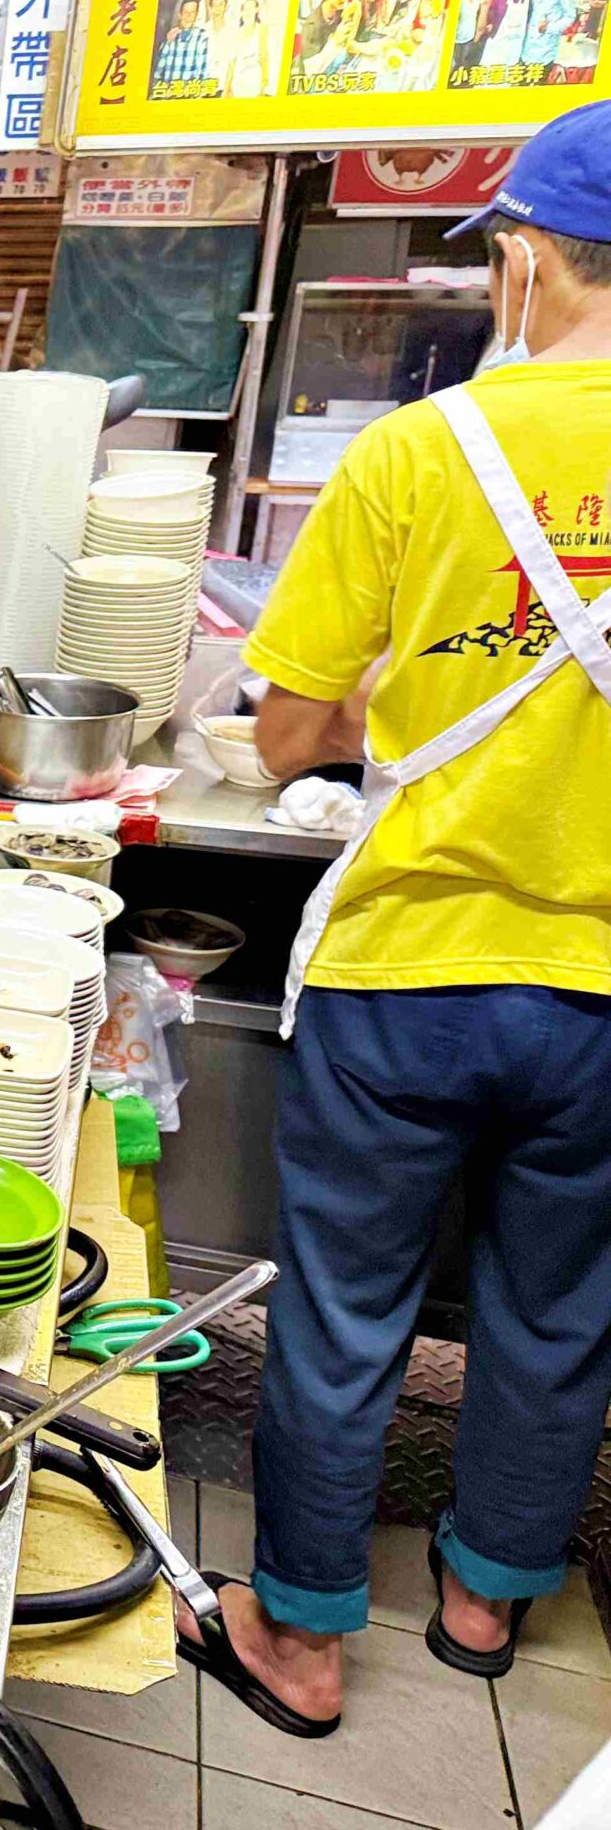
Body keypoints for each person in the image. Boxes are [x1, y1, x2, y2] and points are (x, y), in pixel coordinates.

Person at [173, 106, 611, 1739]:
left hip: (409, 967)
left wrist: (400, 711)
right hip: (601, 987)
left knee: (351, 1312)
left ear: (526, 260)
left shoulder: (422, 454)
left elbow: (285, 732)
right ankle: (489, 1599)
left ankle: (297, 1639)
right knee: (556, 1313)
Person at [155, 0, 214, 83]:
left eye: (192, 12)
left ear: (197, 14)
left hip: (189, 91)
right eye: (186, 12)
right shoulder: (171, 35)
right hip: (169, 90)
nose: (189, 15)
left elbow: (203, 69)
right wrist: (167, 43)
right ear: (180, 14)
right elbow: (159, 69)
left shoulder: (202, 36)